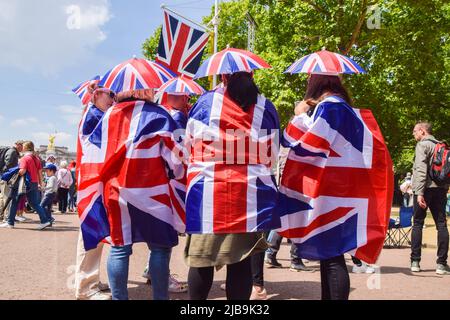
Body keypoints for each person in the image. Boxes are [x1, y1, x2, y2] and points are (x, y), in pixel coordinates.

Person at [184, 71, 280, 300]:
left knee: (201, 261)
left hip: (208, 193)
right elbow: (272, 154)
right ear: (253, 74)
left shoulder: (205, 103)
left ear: (223, 77)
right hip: (247, 195)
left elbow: (188, 144)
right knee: (241, 262)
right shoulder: (266, 107)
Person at [74, 83, 116, 300]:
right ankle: (85, 286)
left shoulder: (95, 114)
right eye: (110, 94)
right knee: (91, 232)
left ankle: (89, 279)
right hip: (92, 182)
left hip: (94, 181)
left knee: (95, 233)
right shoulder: (95, 116)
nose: (113, 99)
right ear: (96, 94)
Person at [410, 122, 450, 274]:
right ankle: (441, 264)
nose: (414, 135)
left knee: (418, 224)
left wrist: (419, 192)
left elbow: (420, 169)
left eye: (415, 131)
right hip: (441, 189)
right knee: (441, 224)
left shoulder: (423, 145)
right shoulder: (442, 145)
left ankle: (415, 261)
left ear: (422, 131)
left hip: (425, 189)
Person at [0, 141, 51, 230]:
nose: (22, 147)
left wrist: (15, 171)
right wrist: (40, 183)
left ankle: (10, 222)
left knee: (14, 201)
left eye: (23, 146)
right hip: (34, 183)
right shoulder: (36, 158)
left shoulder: (24, 158)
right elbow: (39, 172)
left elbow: (22, 171)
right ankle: (45, 220)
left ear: (26, 148)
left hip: (25, 183)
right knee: (34, 204)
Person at [0, 140, 23, 222]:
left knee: (4, 197)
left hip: (5, 176)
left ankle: (3, 215)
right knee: (6, 197)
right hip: (6, 177)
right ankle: (6, 217)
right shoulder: (12, 151)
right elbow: (8, 163)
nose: (22, 148)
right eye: (21, 145)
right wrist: (9, 174)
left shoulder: (13, 152)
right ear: (17, 145)